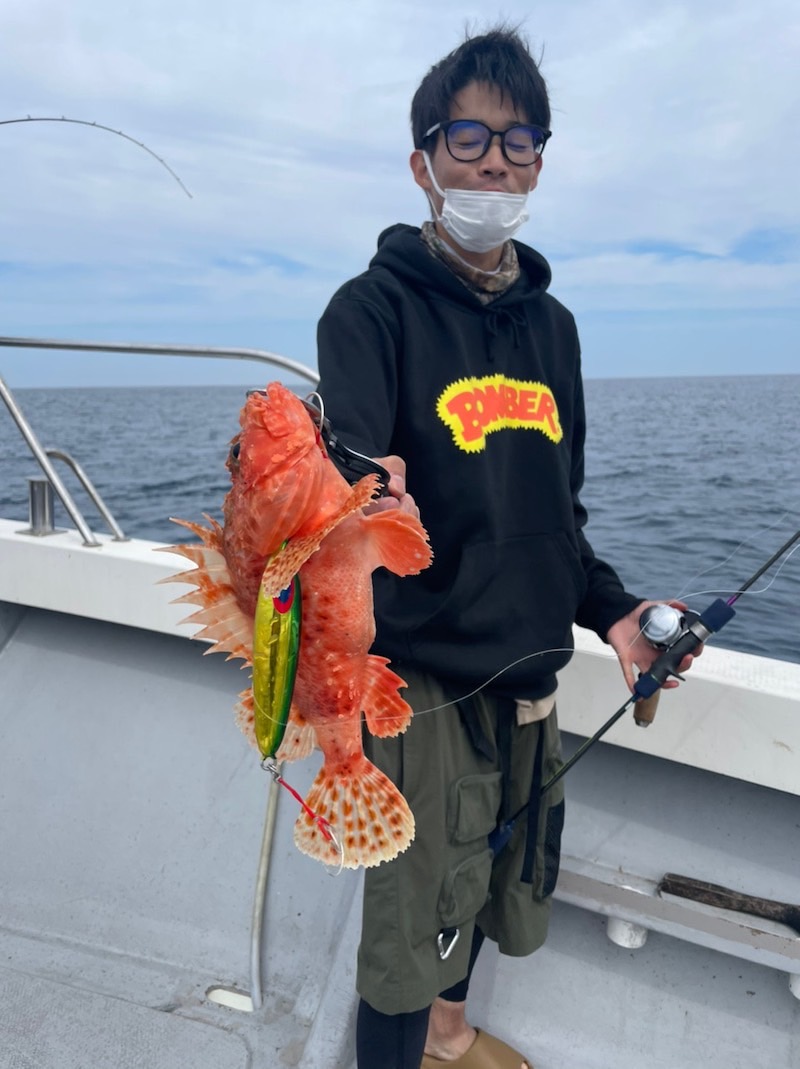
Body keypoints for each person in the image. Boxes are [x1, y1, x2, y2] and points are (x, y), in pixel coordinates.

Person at [315, 25, 697, 1069]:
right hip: (422, 683)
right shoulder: (370, 311)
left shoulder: (553, 328)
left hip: (527, 669)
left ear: (538, 161)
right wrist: (358, 488)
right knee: (408, 931)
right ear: (423, 162)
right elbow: (346, 476)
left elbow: (557, 517)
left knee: (489, 881)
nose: (494, 161)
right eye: (468, 137)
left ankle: (448, 1036)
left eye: (518, 141)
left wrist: (615, 613)